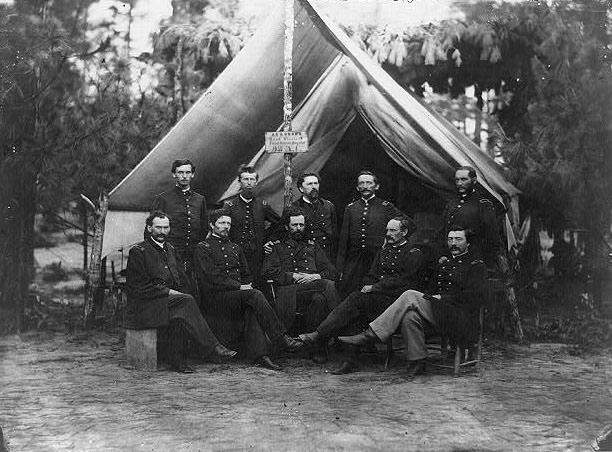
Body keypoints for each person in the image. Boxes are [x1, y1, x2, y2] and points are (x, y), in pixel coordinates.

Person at [338, 225, 487, 380]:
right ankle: (418, 362)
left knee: (409, 294)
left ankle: (370, 334)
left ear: (468, 243)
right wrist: (433, 296)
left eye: (458, 239)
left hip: (460, 318)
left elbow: (475, 297)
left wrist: (442, 298)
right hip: (439, 314)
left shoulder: (476, 265)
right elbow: (430, 289)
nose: (453, 243)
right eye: (450, 239)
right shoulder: (444, 263)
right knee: (410, 316)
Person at [299, 216, 430, 374]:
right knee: (354, 309)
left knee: (355, 301)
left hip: (397, 303)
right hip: (379, 299)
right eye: (387, 230)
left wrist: (375, 287)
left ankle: (318, 334)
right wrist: (367, 286)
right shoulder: (383, 251)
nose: (388, 233)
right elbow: (370, 275)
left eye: (393, 230)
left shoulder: (413, 253)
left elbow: (405, 283)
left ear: (404, 232)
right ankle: (349, 360)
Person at [125, 211, 236, 373]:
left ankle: (179, 362)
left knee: (184, 308)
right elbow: (138, 287)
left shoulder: (170, 249)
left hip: (169, 304)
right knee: (185, 303)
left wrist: (185, 293)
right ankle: (212, 347)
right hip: (145, 305)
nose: (163, 232)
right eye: (158, 228)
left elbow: (182, 279)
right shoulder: (139, 251)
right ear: (149, 228)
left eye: (166, 227)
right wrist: (170, 292)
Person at [193, 209, 302, 371]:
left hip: (238, 297)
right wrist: (240, 286)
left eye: (228, 223)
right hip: (215, 298)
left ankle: (261, 356)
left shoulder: (235, 247)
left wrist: (247, 284)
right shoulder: (203, 248)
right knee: (254, 295)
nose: (226, 227)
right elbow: (211, 277)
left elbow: (247, 274)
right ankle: (281, 337)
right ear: (211, 225)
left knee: (252, 305)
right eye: (222, 223)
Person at [262, 206, 339, 363]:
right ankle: (339, 325)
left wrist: (315, 276)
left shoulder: (313, 245)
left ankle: (316, 346)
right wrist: (293, 276)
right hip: (289, 292)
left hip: (313, 289)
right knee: (326, 285)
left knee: (319, 299)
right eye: (294, 225)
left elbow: (332, 271)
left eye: (301, 225)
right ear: (286, 226)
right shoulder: (277, 246)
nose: (298, 229)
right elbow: (268, 272)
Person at [336, 170, 404, 296]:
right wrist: (340, 266)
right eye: (361, 183)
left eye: (369, 182)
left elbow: (407, 224)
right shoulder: (351, 208)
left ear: (376, 186)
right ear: (357, 187)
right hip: (354, 260)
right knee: (348, 291)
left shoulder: (385, 206)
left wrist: (390, 240)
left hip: (377, 259)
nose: (365, 186)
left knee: (373, 293)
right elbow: (344, 239)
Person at [223, 165, 281, 288]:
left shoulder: (262, 205)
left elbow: (279, 224)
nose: (249, 183)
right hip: (236, 256)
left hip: (258, 256)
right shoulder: (230, 206)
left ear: (256, 182)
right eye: (245, 179)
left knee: (258, 285)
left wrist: (268, 240)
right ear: (239, 182)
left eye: (252, 179)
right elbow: (221, 227)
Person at [149, 159, 208, 276]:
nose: (184, 176)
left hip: (193, 256)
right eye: (180, 172)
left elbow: (204, 227)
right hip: (169, 256)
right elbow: (151, 229)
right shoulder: (163, 198)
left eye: (187, 172)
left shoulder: (200, 199)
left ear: (193, 174)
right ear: (174, 174)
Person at [439, 166, 501, 269]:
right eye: (457, 180)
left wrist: (483, 262)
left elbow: (492, 237)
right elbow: (442, 231)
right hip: (451, 258)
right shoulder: (452, 203)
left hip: (473, 259)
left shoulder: (483, 204)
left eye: (464, 179)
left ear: (474, 180)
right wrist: (442, 254)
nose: (459, 183)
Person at [291, 172, 337, 262]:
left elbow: (335, 234)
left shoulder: (328, 206)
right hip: (306, 257)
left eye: (316, 183)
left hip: (327, 255)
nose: (314, 187)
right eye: (309, 184)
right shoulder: (294, 208)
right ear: (301, 188)